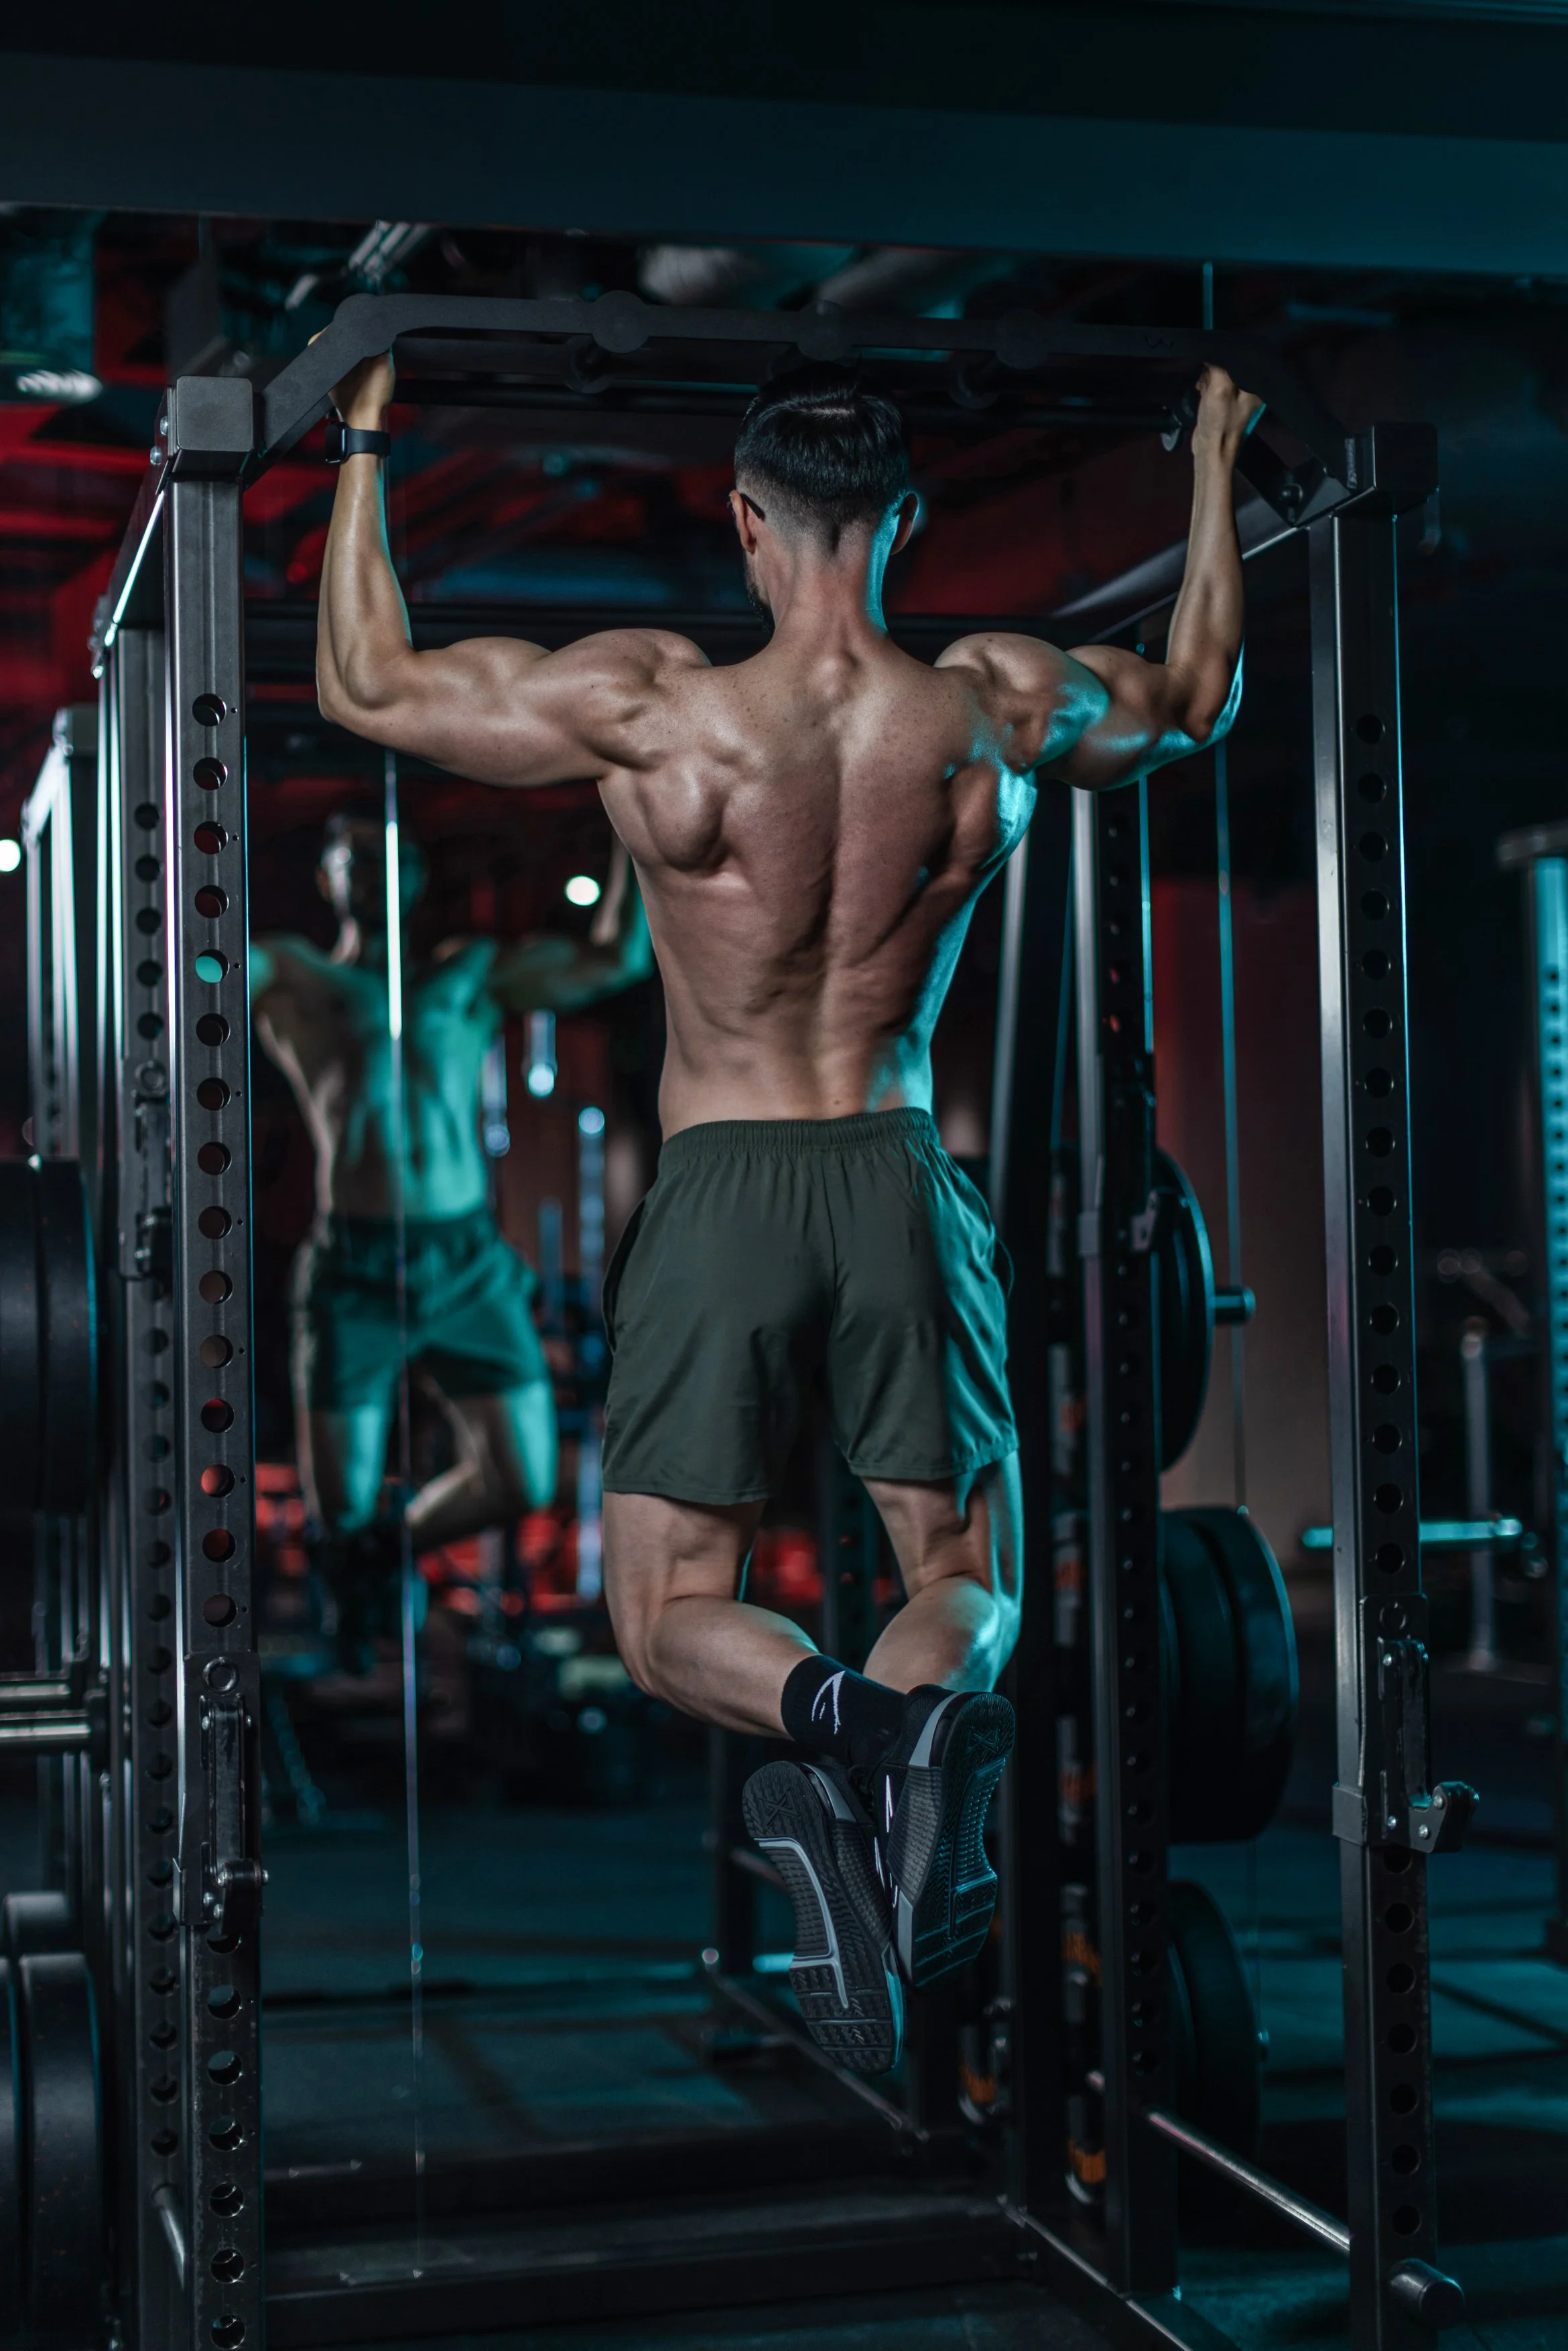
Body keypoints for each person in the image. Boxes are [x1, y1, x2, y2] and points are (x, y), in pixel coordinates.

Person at [313, 348, 1262, 2068]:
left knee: (667, 1613)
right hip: (899, 1165)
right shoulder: (991, 704)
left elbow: (367, 683)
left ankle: (840, 1726)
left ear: (749, 523)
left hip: (723, 1183)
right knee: (965, 1570)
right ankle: (909, 1733)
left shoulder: (660, 708)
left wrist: (365, 440)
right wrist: (1208, 465)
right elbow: (1196, 694)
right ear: (901, 522)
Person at [251, 817, 651, 1669]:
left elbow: (616, 959)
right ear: (327, 878)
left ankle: (386, 1550)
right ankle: (358, 1583)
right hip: (354, 1266)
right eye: (353, 858)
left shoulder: (467, 974)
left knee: (523, 1479)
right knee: (339, 1509)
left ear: (416, 876)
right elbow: (186, 974)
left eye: (391, 856)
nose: (373, 870)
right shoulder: (294, 975)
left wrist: (631, 828)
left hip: (466, 1261)